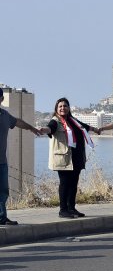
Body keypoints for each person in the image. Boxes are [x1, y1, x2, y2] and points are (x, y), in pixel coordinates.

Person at [39, 97, 99, 218]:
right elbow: (50, 128)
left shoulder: (73, 120)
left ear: (68, 108)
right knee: (65, 184)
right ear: (56, 109)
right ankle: (63, 210)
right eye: (60, 106)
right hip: (64, 159)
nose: (63, 108)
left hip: (76, 157)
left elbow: (84, 126)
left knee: (73, 184)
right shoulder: (55, 121)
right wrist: (43, 130)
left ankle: (71, 208)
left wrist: (96, 129)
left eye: (65, 106)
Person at [0, 87, 42, 225]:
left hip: (2, 162)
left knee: (3, 191)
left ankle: (2, 217)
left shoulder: (5, 116)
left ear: (1, 99)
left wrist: (32, 128)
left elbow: (18, 122)